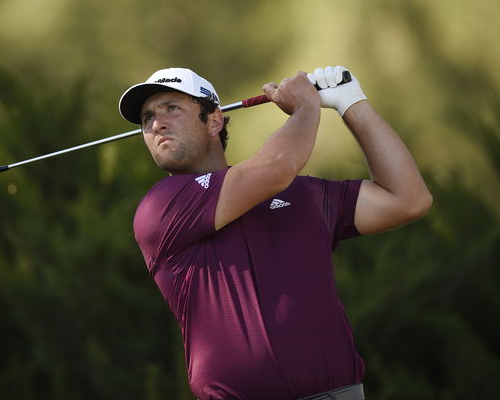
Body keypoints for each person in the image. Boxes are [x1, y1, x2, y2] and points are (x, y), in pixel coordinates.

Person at [118, 66, 432, 400]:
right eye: (147, 118)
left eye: (172, 108)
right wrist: (307, 105)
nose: (156, 123)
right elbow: (277, 166)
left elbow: (408, 199)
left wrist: (351, 102)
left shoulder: (302, 194)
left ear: (214, 120)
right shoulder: (162, 206)